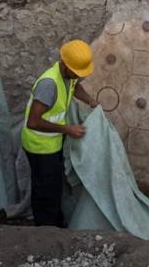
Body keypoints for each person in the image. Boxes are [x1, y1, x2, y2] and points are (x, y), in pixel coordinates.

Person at [20, 39, 98, 227]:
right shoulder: (49, 85)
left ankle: (54, 222)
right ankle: (45, 230)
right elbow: (33, 122)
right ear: (65, 64)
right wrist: (67, 129)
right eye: (77, 73)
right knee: (45, 191)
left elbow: (75, 86)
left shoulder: (68, 76)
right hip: (39, 146)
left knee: (54, 186)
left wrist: (90, 101)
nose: (80, 77)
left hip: (52, 143)